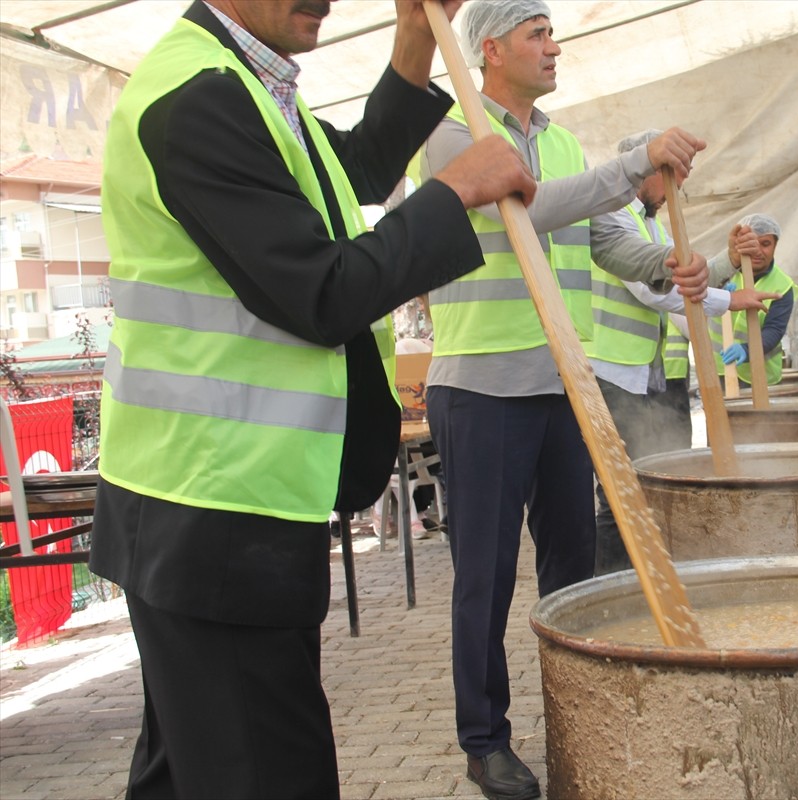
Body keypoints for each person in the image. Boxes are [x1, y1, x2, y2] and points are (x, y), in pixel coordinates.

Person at [88, 1, 536, 797]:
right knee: (265, 772)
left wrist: (413, 38)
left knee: (189, 770)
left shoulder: (250, 89)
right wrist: (452, 191)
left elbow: (355, 172)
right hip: (213, 511)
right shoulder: (196, 100)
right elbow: (321, 292)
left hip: (211, 501)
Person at [415, 3, 709, 798]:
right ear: (492, 48)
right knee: (486, 573)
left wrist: (669, 266)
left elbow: (602, 238)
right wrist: (631, 163)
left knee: (572, 565)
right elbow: (529, 204)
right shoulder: (453, 131)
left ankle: (578, 707)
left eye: (554, 32)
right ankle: (485, 741)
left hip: (561, 387)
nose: (554, 45)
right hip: (480, 387)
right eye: (538, 32)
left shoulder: (567, 140)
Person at [588, 129, 779, 574]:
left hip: (645, 377)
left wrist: (729, 261)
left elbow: (686, 275)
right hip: (614, 375)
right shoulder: (613, 214)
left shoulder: (649, 218)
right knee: (622, 497)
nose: (683, 183)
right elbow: (656, 291)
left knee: (648, 489)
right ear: (649, 168)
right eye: (676, 171)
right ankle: (615, 589)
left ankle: (649, 582)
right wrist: (730, 300)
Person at [710, 213, 798, 386]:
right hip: (719, 370)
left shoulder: (783, 286)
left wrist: (747, 349)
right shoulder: (723, 272)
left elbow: (774, 329)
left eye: (765, 244)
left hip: (760, 377)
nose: (757, 250)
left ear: (775, 246)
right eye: (752, 243)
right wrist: (717, 292)